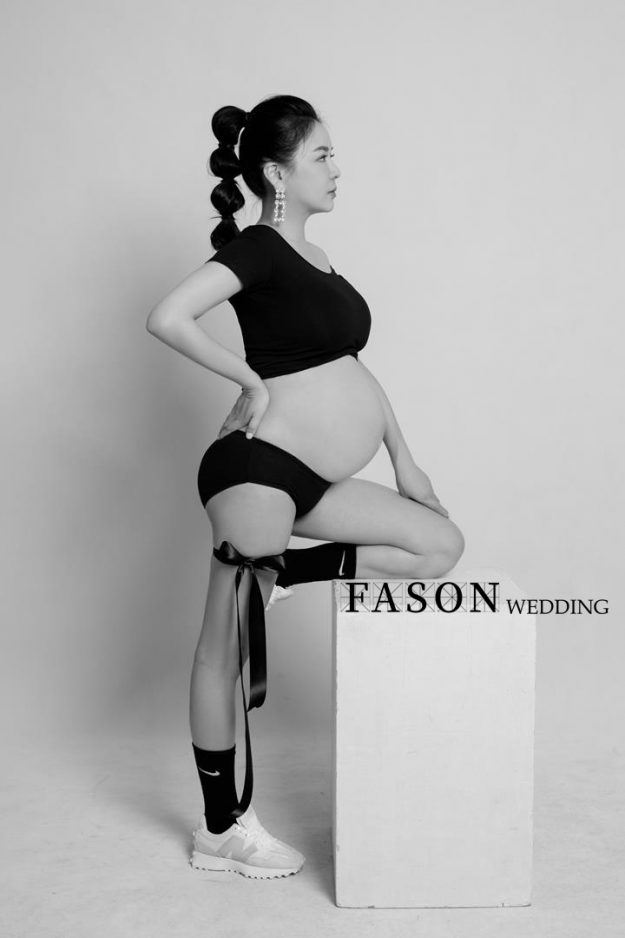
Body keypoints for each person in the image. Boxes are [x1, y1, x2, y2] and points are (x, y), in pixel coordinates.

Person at [146, 94, 465, 880]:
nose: (335, 168)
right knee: (223, 647)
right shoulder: (258, 248)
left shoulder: (317, 259)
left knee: (436, 546)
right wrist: (249, 381)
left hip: (312, 481)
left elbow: (351, 368)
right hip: (257, 471)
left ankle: (281, 573)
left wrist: (404, 459)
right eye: (321, 154)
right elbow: (169, 316)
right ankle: (221, 828)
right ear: (275, 173)